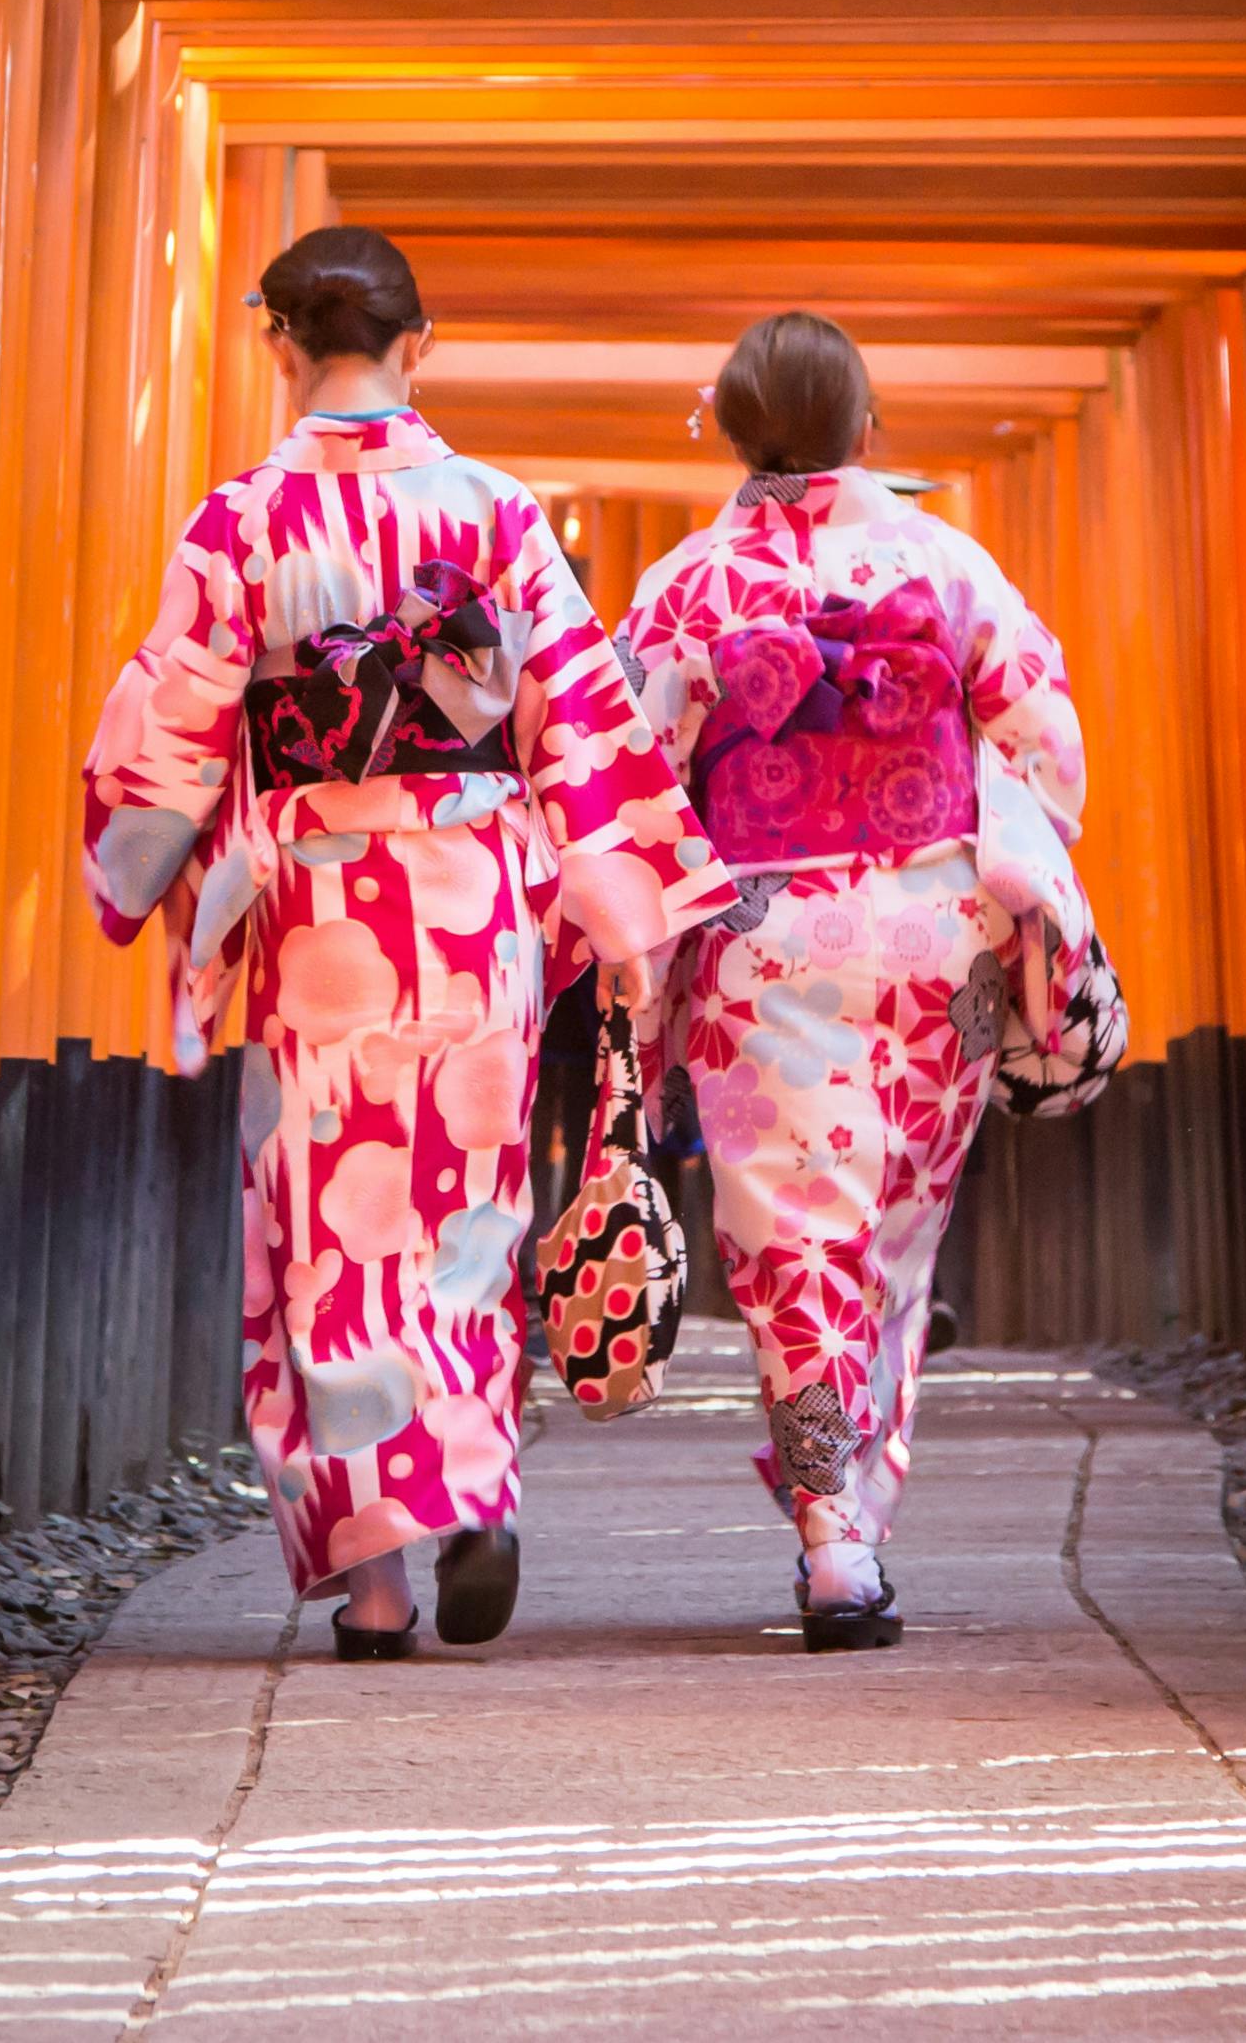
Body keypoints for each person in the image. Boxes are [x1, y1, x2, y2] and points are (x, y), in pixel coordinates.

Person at [80, 225, 725, 1658]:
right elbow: (580, 717)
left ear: (281, 348)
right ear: (419, 349)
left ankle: (376, 1586)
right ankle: (478, 1480)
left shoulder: (237, 522)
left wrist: (133, 872)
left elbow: (172, 734)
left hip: (320, 897)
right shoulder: (495, 514)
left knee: (334, 1230)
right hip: (476, 900)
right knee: (468, 1205)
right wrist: (627, 917)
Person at [618, 311, 1105, 1652]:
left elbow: (626, 777)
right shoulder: (945, 564)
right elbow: (1044, 736)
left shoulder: (684, 589)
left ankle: (833, 1532)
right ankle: (857, 1509)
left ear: (725, 425)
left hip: (762, 942)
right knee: (893, 1233)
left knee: (794, 1238)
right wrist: (994, 849)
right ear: (868, 426)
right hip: (934, 937)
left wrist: (635, 974)